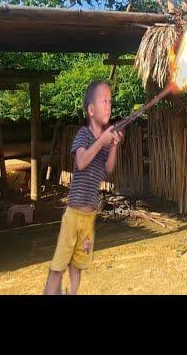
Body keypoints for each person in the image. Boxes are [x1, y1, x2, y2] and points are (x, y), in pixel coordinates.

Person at [43, 81, 123, 295]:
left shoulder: (105, 140)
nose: (109, 105)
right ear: (91, 110)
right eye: (103, 101)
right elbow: (81, 162)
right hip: (74, 214)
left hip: (89, 216)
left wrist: (113, 146)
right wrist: (102, 141)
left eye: (110, 101)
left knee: (78, 264)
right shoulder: (84, 135)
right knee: (59, 265)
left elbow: (107, 169)